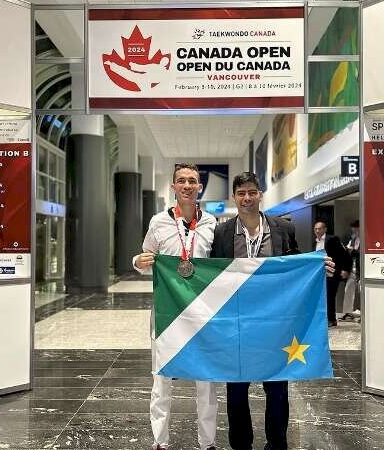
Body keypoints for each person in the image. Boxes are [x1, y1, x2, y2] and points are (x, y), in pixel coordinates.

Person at [211, 172, 334, 450]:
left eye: (252, 192)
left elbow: (297, 264)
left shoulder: (282, 228)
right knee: (237, 389)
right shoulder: (223, 232)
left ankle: (277, 444)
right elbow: (213, 274)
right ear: (234, 196)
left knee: (277, 389)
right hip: (238, 322)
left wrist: (317, 267)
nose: (247, 198)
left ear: (260, 194)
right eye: (241, 193)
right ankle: (240, 444)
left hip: (275, 322)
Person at [133, 163, 217, 450]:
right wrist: (137, 262)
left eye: (192, 181)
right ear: (173, 187)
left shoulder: (211, 223)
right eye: (181, 180)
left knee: (206, 378)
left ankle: (207, 442)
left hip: (202, 312)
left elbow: (220, 267)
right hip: (167, 311)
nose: (187, 185)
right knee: (162, 377)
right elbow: (145, 257)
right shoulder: (158, 222)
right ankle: (160, 441)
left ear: (199, 186)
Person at [313, 220, 352, 327]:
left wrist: (346, 269)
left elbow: (344, 255)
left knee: (330, 296)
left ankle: (332, 319)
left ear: (325, 229)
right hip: (320, 274)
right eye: (315, 229)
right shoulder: (316, 242)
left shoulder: (332, 239)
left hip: (332, 272)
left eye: (319, 228)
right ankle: (324, 318)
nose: (317, 231)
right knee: (322, 297)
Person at [341, 219, 361, 321]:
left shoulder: (366, 239)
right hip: (352, 268)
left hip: (361, 270)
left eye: (356, 230)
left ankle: (365, 313)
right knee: (348, 289)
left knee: (362, 291)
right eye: (353, 231)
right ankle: (348, 312)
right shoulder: (353, 240)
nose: (354, 232)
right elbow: (348, 252)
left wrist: (353, 251)